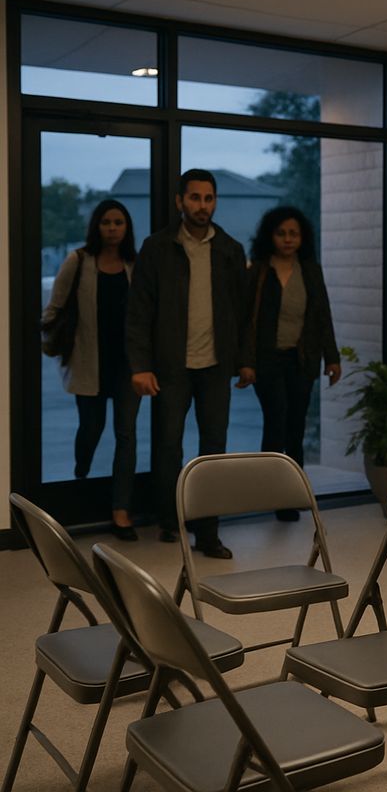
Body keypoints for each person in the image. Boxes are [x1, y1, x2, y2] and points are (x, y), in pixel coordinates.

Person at [126, 168, 249, 559]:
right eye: (195, 198)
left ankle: (208, 533)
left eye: (208, 198)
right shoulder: (157, 248)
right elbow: (138, 312)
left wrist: (246, 361)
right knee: (168, 447)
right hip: (170, 367)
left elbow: (243, 312)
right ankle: (170, 520)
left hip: (216, 366)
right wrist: (140, 365)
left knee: (214, 451)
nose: (202, 206)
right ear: (180, 201)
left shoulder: (230, 249)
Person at [42, 200, 142, 540]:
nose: (112, 228)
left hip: (127, 364)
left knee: (126, 435)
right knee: (91, 428)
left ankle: (121, 510)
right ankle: (81, 473)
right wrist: (51, 344)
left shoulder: (134, 263)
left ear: (126, 227)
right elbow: (54, 307)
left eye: (118, 222)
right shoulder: (79, 260)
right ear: (96, 226)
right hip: (89, 360)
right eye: (106, 222)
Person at [242, 206, 341, 521]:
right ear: (270, 236)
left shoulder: (310, 270)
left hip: (302, 360)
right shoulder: (257, 271)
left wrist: (332, 357)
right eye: (281, 233)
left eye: (293, 234)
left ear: (302, 238)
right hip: (267, 360)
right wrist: (245, 362)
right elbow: (246, 321)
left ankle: (294, 493)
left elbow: (323, 316)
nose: (288, 239)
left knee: (296, 426)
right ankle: (272, 493)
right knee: (276, 422)